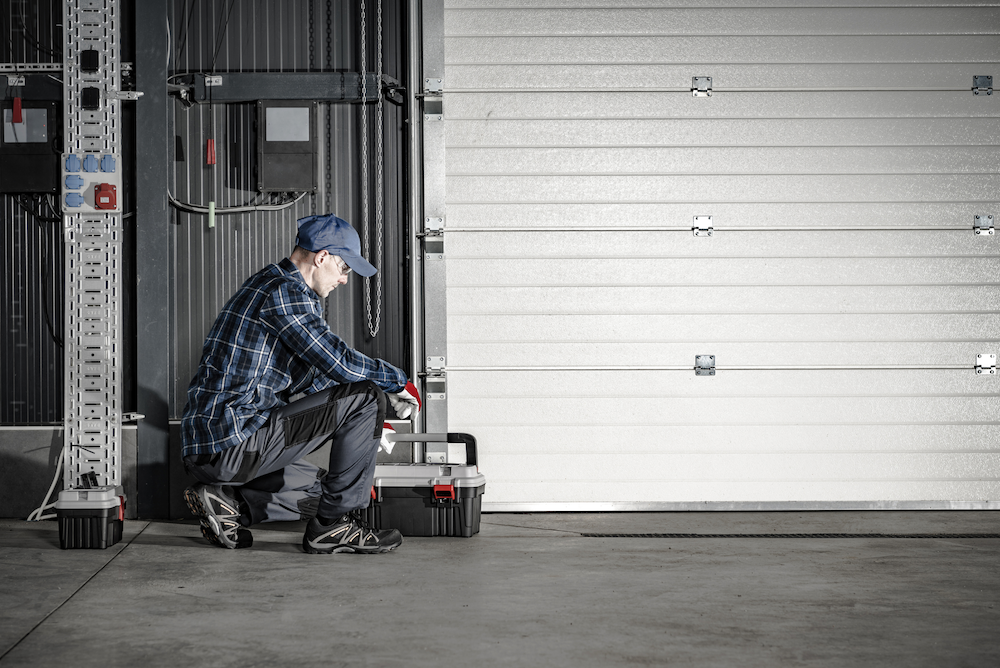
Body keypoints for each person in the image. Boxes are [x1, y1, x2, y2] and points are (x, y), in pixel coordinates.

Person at [180, 213, 419, 554]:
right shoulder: (284, 292)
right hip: (231, 442)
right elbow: (338, 361)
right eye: (345, 268)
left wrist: (367, 431)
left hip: (221, 445)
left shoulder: (270, 284)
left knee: (321, 488)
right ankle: (333, 528)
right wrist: (397, 383)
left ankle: (230, 504)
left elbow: (315, 375)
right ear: (322, 257)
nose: (345, 280)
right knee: (366, 397)